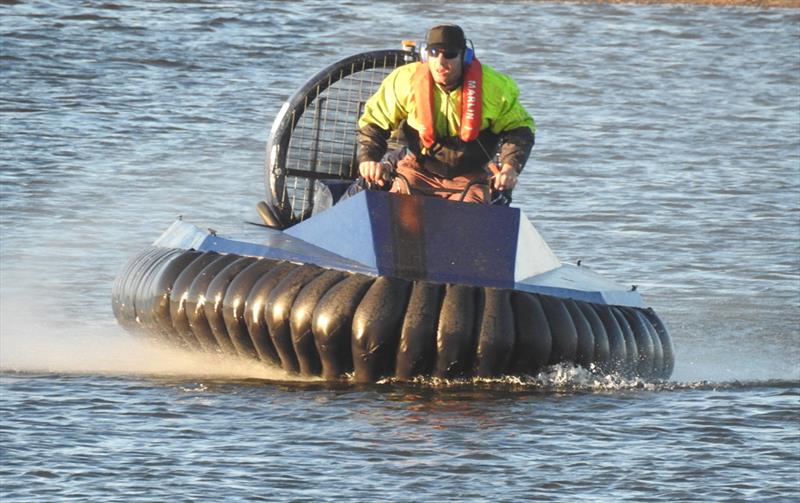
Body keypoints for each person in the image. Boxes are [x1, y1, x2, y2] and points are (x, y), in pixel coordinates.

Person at [357, 24, 535, 204]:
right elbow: (375, 123)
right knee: (399, 206)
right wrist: (368, 159)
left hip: (470, 177)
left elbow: (519, 129)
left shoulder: (495, 87)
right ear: (426, 55)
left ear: (465, 57)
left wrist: (510, 168)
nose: (441, 62)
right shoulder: (404, 80)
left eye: (449, 54)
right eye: (434, 53)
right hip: (418, 169)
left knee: (469, 217)